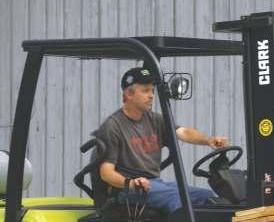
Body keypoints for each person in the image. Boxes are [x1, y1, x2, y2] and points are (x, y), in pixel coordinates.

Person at [96, 67, 229, 213]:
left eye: (152, 90)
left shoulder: (154, 119)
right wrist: (131, 183)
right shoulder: (113, 126)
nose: (151, 95)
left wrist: (208, 141)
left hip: (155, 183)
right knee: (177, 198)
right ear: (129, 94)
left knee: (206, 196)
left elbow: (183, 132)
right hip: (126, 190)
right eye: (145, 91)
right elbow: (106, 173)